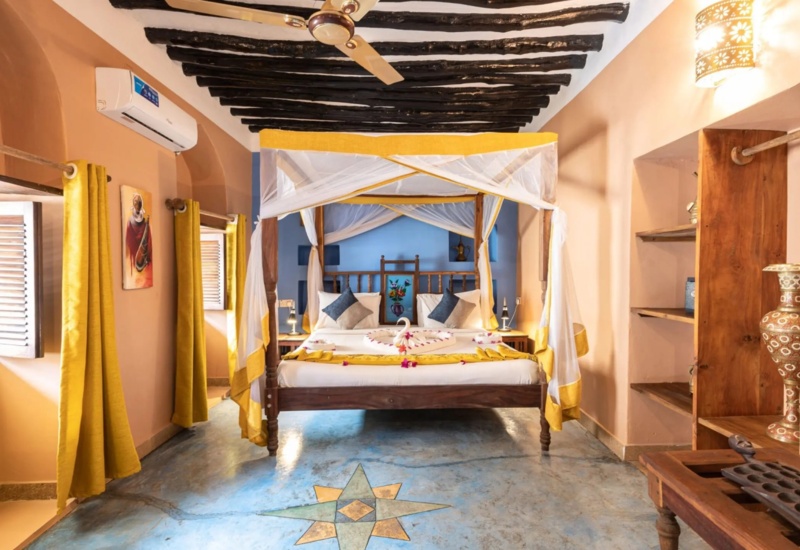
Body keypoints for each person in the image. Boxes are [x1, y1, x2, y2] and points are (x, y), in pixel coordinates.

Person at [125, 192, 153, 288]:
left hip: (143, 254)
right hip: (134, 253)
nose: (137, 203)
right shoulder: (130, 222)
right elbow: (128, 241)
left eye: (139, 201)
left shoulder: (145, 223)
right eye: (135, 201)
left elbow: (149, 240)